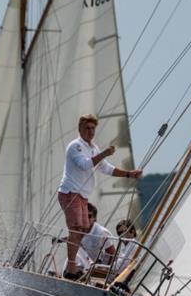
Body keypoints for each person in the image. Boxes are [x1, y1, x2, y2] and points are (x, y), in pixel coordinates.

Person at [58, 113, 142, 280]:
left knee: (82, 229)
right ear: (80, 129)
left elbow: (106, 168)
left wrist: (128, 174)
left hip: (81, 195)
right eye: (87, 128)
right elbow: (85, 164)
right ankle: (72, 268)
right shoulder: (75, 146)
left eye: (92, 128)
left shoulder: (93, 148)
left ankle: (73, 266)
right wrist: (104, 154)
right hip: (70, 193)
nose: (90, 131)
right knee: (76, 228)